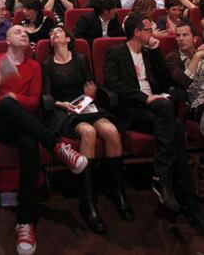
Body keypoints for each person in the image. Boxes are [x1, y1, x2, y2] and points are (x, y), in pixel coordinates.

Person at [0, 25, 88, 255]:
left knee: (29, 143)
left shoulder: (34, 67)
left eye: (25, 32)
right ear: (7, 40)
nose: (23, 34)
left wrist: (13, 98)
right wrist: (1, 81)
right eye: (18, 31)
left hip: (24, 125)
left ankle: (25, 222)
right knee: (8, 104)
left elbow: (34, 102)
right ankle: (57, 146)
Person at [104, 13, 204, 235]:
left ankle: (172, 187)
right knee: (170, 116)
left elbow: (166, 81)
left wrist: (156, 51)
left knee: (175, 126)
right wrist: (144, 98)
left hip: (155, 109)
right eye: (148, 30)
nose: (153, 33)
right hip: (133, 109)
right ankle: (175, 189)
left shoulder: (150, 53)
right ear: (138, 32)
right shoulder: (116, 53)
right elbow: (112, 84)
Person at [43, 26, 134, 233]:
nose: (53, 34)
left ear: (67, 38)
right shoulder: (47, 63)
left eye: (57, 32)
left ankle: (117, 191)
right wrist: (62, 104)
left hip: (86, 105)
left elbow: (90, 83)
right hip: (65, 111)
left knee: (111, 132)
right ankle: (88, 199)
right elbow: (47, 95)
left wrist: (91, 92)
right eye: (51, 34)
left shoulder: (81, 58)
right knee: (88, 132)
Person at [166, 19, 204, 136]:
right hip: (197, 104)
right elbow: (183, 82)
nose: (181, 39)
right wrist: (197, 57)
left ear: (195, 39)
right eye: (178, 35)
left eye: (185, 35)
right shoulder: (172, 58)